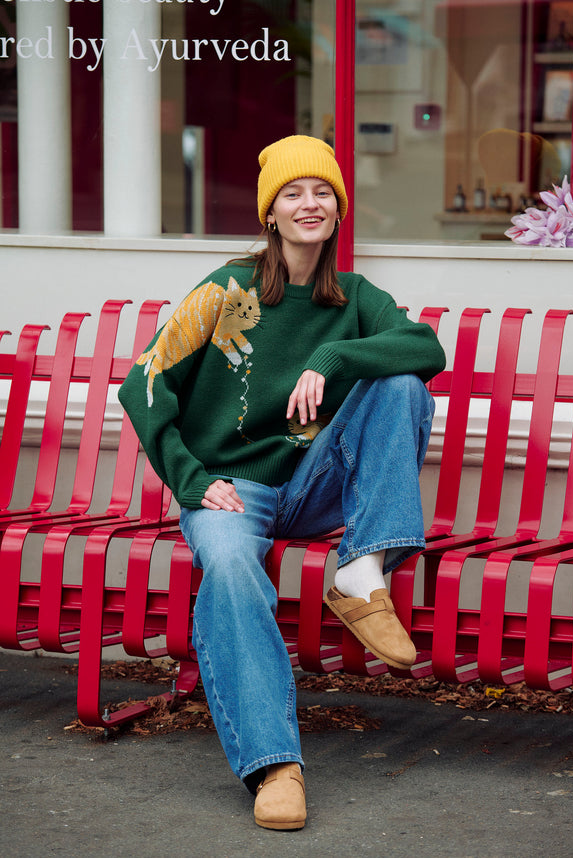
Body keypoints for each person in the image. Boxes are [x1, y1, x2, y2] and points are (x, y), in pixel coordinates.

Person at [119, 134, 446, 831]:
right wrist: (190, 476)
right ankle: (275, 766)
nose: (309, 204)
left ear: (338, 210)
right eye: (294, 193)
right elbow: (142, 384)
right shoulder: (224, 291)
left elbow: (427, 348)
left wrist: (333, 355)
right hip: (231, 491)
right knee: (232, 569)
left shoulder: (356, 298)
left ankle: (362, 565)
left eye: (322, 192)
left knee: (400, 382)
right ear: (271, 211)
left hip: (313, 484)